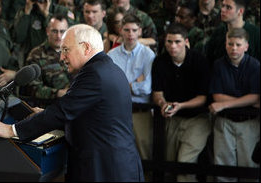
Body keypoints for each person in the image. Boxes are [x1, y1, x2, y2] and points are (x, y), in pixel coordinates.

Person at [0, 24, 144, 182]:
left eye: (66, 50)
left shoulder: (95, 74)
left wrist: (11, 130)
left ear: (86, 48)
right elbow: (91, 118)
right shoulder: (106, 68)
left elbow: (62, 112)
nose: (61, 57)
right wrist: (45, 116)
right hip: (113, 164)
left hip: (106, 169)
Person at [152, 23, 212, 182]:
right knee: (169, 165)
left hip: (197, 118)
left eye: (177, 42)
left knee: (184, 163)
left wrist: (180, 105)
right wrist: (162, 103)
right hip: (172, 118)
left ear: (186, 41)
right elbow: (157, 93)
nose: (173, 46)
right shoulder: (160, 61)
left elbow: (203, 98)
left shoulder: (199, 60)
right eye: (169, 42)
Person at [209, 28, 260, 180]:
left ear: (246, 46)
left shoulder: (255, 66)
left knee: (249, 167)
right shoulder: (219, 65)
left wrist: (225, 104)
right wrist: (246, 100)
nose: (234, 48)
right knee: (223, 168)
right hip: (224, 123)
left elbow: (256, 97)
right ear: (225, 45)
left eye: (238, 45)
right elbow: (217, 97)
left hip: (249, 123)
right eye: (230, 44)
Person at [108, 14, 156, 161]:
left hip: (140, 112)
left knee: (144, 155)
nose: (130, 34)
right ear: (121, 31)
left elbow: (146, 88)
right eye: (127, 30)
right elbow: (109, 87)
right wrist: (135, 82)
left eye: (134, 30)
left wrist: (121, 85)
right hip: (117, 114)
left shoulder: (148, 54)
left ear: (140, 31)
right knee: (117, 155)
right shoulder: (111, 55)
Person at [20, 14, 70, 108]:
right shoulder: (36, 55)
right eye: (54, 31)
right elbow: (33, 89)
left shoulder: (73, 51)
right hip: (49, 108)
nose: (59, 36)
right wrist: (59, 93)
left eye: (62, 31)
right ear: (47, 31)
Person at [206, 0, 260, 64]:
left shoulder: (255, 34)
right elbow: (209, 59)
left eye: (228, 7)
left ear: (240, 11)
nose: (223, 10)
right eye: (222, 6)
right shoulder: (219, 32)